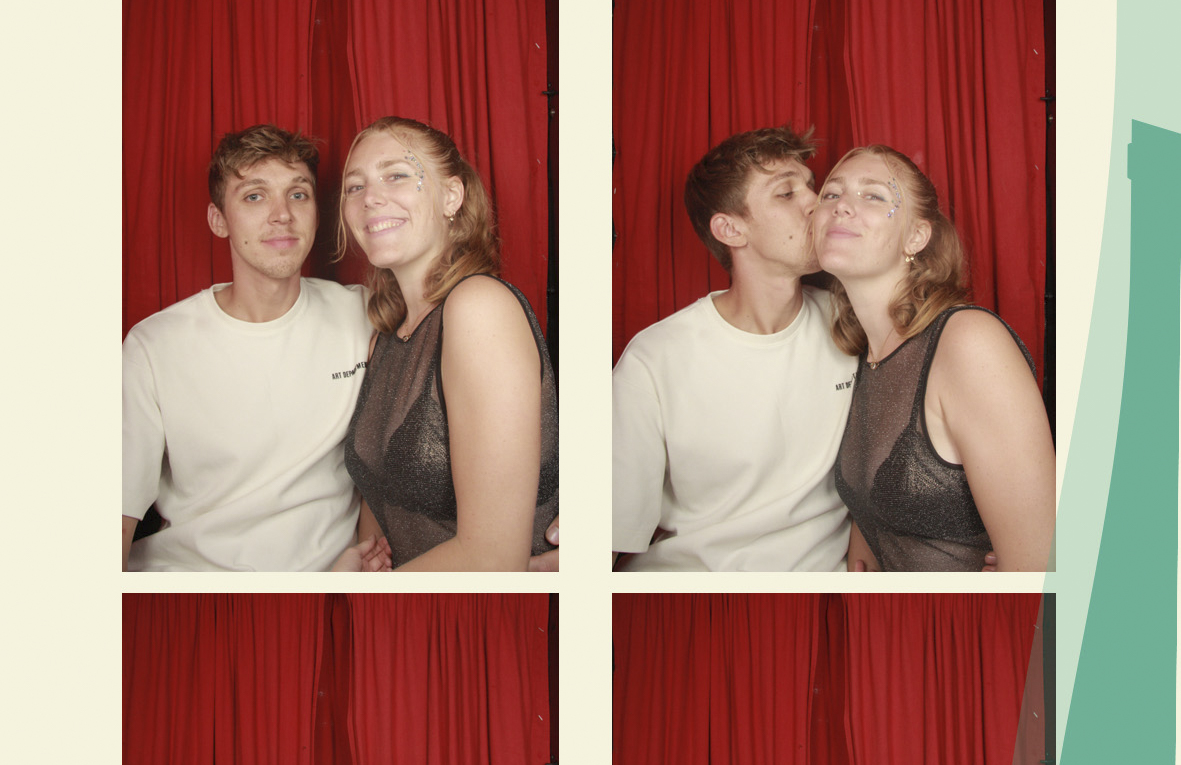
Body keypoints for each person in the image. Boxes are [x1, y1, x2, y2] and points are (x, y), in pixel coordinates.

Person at [122, 125, 387, 574]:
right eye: (254, 196)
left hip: (329, 586)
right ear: (218, 220)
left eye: (298, 195)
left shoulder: (364, 315)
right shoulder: (153, 347)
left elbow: (389, 468)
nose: (282, 215)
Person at [612, 126, 856, 571]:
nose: (816, 203)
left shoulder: (854, 321)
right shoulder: (655, 358)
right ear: (730, 229)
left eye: (812, 186)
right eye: (786, 193)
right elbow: (611, 530)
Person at [813, 146, 1055, 571]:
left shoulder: (968, 343)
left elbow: (1041, 566)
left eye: (873, 196)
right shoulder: (864, 356)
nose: (842, 206)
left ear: (916, 237)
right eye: (831, 194)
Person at [337, 118, 559, 570]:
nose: (370, 198)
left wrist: (357, 594)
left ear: (452, 197)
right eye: (354, 187)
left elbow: (493, 560)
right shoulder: (387, 334)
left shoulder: (479, 308)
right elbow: (380, 499)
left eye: (396, 175)